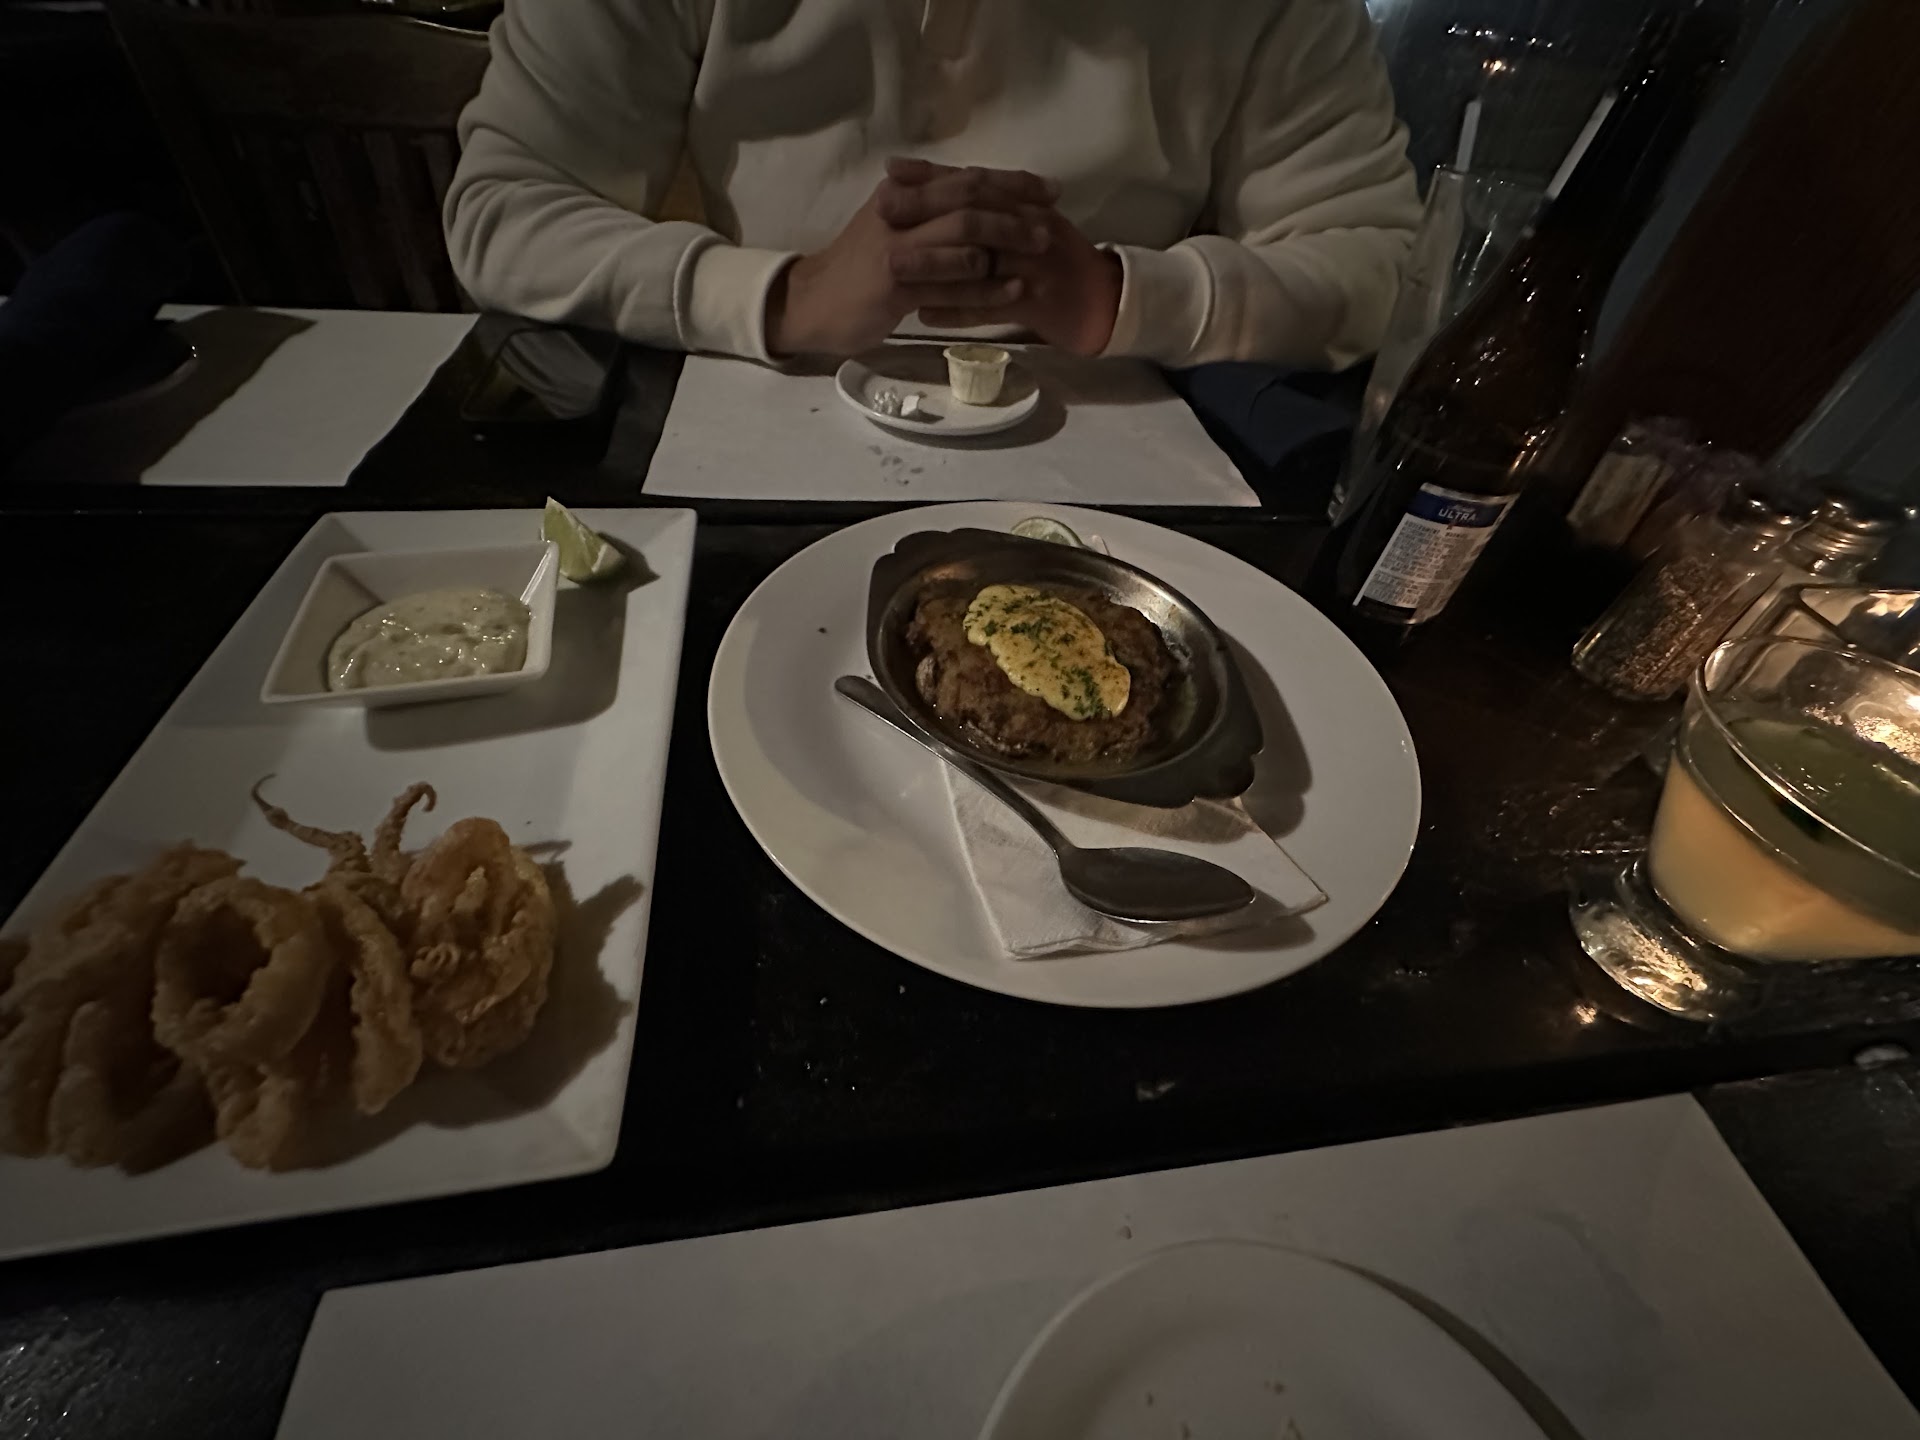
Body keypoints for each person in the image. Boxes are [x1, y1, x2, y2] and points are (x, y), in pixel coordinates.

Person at [444, 0, 1419, 372]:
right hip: (758, 401)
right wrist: (786, 295)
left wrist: (1122, 298)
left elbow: (1390, 266)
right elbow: (507, 206)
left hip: (1126, 442)